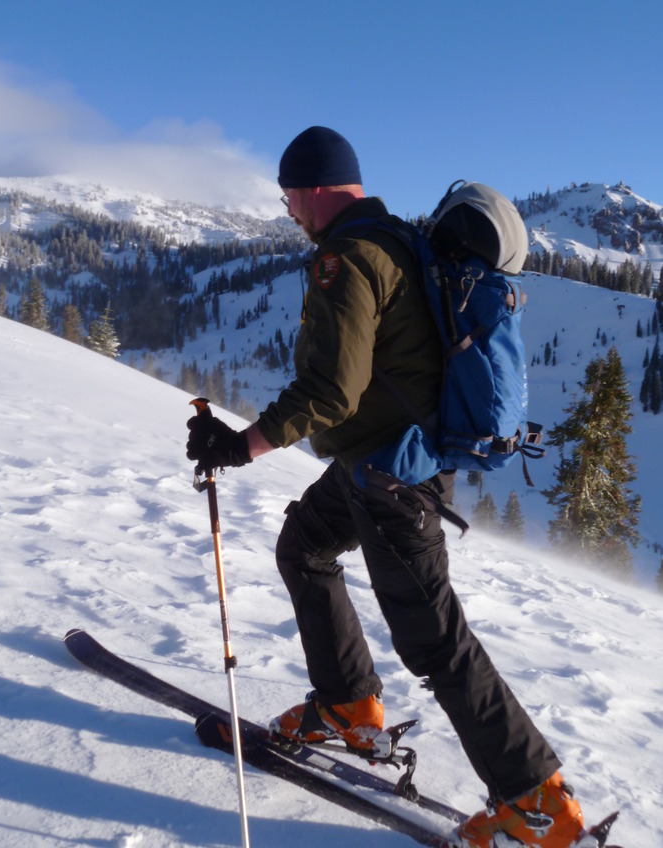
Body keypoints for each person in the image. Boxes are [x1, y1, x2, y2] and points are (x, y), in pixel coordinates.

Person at [186, 126, 585, 848]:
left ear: (313, 187)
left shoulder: (347, 257)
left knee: (436, 644)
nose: (288, 212)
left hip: (394, 481)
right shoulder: (394, 236)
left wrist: (239, 445)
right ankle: (347, 704)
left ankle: (538, 804)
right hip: (372, 466)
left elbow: (331, 391)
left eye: (288, 197)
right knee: (304, 546)